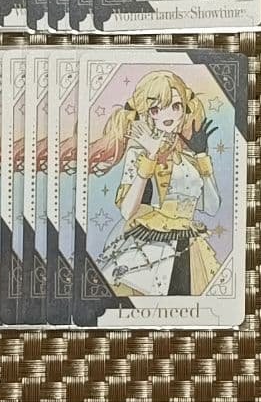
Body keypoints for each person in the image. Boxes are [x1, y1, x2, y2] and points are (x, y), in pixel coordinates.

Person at [88, 71, 222, 297]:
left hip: (188, 246)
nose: (167, 115)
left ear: (185, 110)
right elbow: (127, 211)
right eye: (156, 109)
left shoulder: (190, 157)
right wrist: (150, 156)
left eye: (175, 106)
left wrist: (201, 156)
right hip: (149, 245)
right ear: (148, 114)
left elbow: (211, 208)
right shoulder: (138, 154)